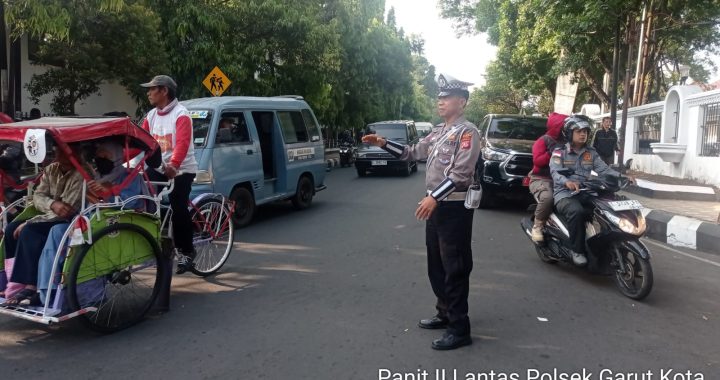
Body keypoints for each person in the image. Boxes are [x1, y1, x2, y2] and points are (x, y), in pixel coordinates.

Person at [362, 73, 481, 350]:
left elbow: (462, 174)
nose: (440, 102)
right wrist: (383, 143)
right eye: (439, 97)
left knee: (455, 267)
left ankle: (460, 328)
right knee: (436, 265)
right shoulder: (440, 131)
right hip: (437, 206)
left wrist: (434, 198)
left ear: (461, 102)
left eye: (446, 97)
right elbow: (412, 152)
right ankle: (445, 312)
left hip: (454, 208)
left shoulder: (468, 133)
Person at [36, 141, 146, 304]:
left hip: (114, 223)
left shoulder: (131, 177)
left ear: (116, 157)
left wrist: (107, 195)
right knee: (55, 231)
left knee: (59, 232)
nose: (100, 158)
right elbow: (86, 203)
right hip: (90, 220)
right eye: (99, 154)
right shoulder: (95, 176)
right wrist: (92, 193)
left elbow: (129, 204)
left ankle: (70, 294)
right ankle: (47, 291)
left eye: (105, 155)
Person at [1, 145, 85, 305]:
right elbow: (38, 196)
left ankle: (31, 285)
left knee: (29, 231)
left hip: (70, 220)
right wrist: (52, 203)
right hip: (49, 213)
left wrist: (30, 221)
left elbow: (67, 210)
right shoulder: (52, 169)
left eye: (60, 151)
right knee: (11, 228)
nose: (56, 154)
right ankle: (14, 282)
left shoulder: (82, 173)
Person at [550, 115, 630, 266]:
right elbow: (555, 173)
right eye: (578, 131)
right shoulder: (560, 152)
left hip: (585, 191)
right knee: (577, 211)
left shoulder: (590, 153)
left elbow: (604, 170)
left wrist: (623, 177)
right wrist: (567, 182)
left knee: (606, 209)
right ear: (569, 133)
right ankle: (577, 251)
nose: (583, 134)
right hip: (564, 194)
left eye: (585, 131)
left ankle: (606, 247)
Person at [140, 75, 198, 274]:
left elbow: (182, 143)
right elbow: (141, 141)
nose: (148, 92)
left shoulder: (181, 114)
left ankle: (187, 251)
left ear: (164, 91)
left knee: (178, 205)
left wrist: (173, 165)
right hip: (158, 167)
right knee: (143, 199)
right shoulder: (151, 115)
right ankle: (153, 243)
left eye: (152, 89)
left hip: (181, 169)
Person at [528, 112, 567, 242]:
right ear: (558, 126)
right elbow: (538, 161)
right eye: (564, 125)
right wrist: (552, 153)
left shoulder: (568, 143)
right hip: (542, 179)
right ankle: (537, 226)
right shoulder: (543, 141)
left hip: (563, 179)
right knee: (547, 197)